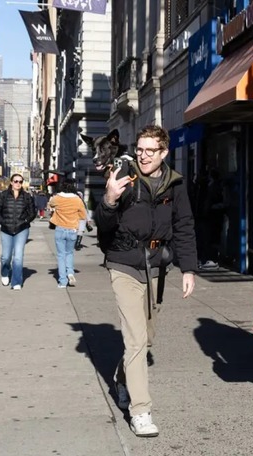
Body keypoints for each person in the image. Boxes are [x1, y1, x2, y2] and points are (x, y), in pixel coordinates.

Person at [94, 124, 197, 437]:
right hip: (123, 263)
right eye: (140, 149)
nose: (143, 156)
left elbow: (184, 225)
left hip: (156, 267)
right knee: (136, 340)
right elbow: (103, 224)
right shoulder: (125, 175)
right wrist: (109, 199)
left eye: (150, 150)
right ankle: (140, 411)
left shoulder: (175, 183)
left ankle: (121, 378)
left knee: (146, 339)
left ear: (164, 152)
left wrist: (188, 269)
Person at [0, 174, 36, 290]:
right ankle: (5, 273)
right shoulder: (3, 195)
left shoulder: (27, 196)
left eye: (20, 182)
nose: (18, 183)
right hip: (6, 229)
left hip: (22, 229)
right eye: (16, 181)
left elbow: (33, 212)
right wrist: (2, 222)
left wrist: (26, 221)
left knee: (18, 256)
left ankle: (16, 282)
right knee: (6, 257)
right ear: (11, 182)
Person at [48, 181, 88, 288]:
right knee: (69, 253)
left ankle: (63, 281)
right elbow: (83, 215)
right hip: (72, 230)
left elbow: (50, 204)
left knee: (61, 255)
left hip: (60, 229)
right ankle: (70, 272)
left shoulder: (57, 198)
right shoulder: (77, 200)